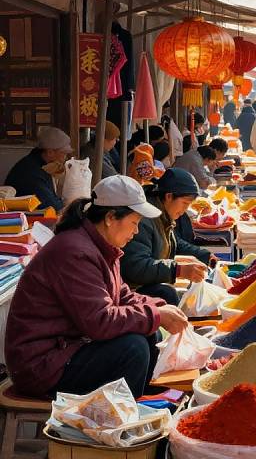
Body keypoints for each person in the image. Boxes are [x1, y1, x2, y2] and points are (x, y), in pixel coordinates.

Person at [5, 175, 189, 398]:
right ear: (111, 217)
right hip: (42, 366)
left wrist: (158, 308)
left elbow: (122, 295)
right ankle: (122, 421)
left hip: (68, 349)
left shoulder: (101, 247)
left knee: (150, 336)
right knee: (133, 348)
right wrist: (156, 315)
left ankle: (141, 401)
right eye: (134, 223)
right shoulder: (75, 252)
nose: (136, 231)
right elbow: (99, 321)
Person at [121, 168, 210, 305]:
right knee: (166, 293)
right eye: (185, 203)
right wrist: (177, 269)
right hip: (132, 290)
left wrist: (204, 255)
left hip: (143, 285)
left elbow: (173, 243)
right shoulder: (145, 220)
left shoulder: (162, 215)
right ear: (169, 196)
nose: (185, 210)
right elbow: (136, 266)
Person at [5, 126, 72, 211]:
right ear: (50, 152)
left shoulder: (43, 164)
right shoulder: (31, 172)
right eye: (63, 153)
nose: (65, 158)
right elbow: (53, 206)